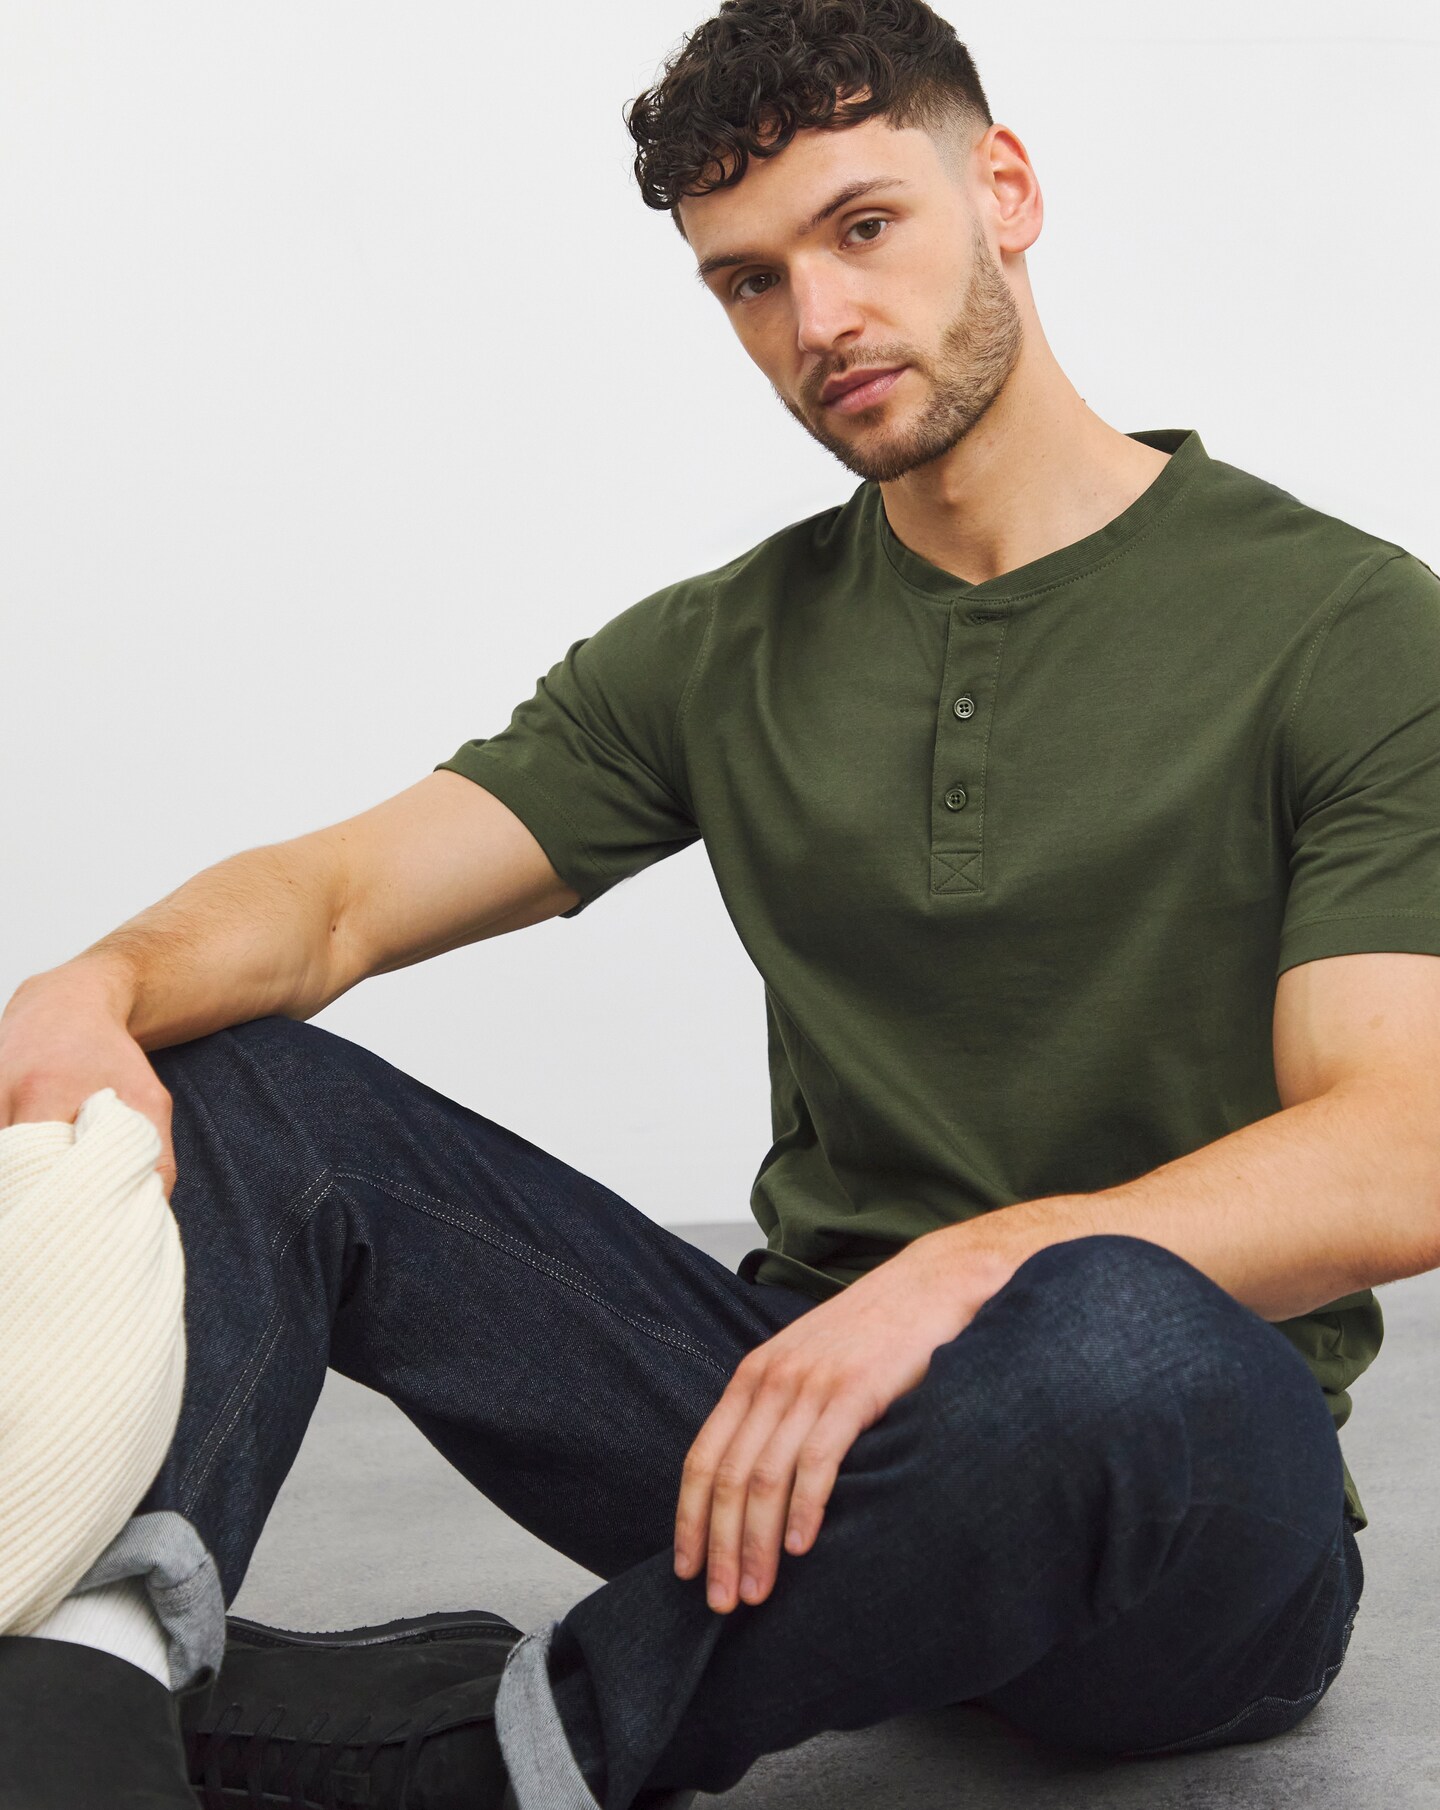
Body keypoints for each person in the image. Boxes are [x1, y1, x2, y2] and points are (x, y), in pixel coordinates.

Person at [3, 1, 1438, 1805]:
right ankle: (86, 1687)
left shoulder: (1345, 624)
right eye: (750, 281)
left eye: (863, 228)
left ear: (1003, 191)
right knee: (232, 1076)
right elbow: (340, 897)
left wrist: (976, 1267)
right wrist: (90, 983)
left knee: (1117, 1325)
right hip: (782, 1427)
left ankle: (498, 1747)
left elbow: (1403, 1146)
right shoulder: (721, 647)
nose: (817, 320)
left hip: (1174, 1512)